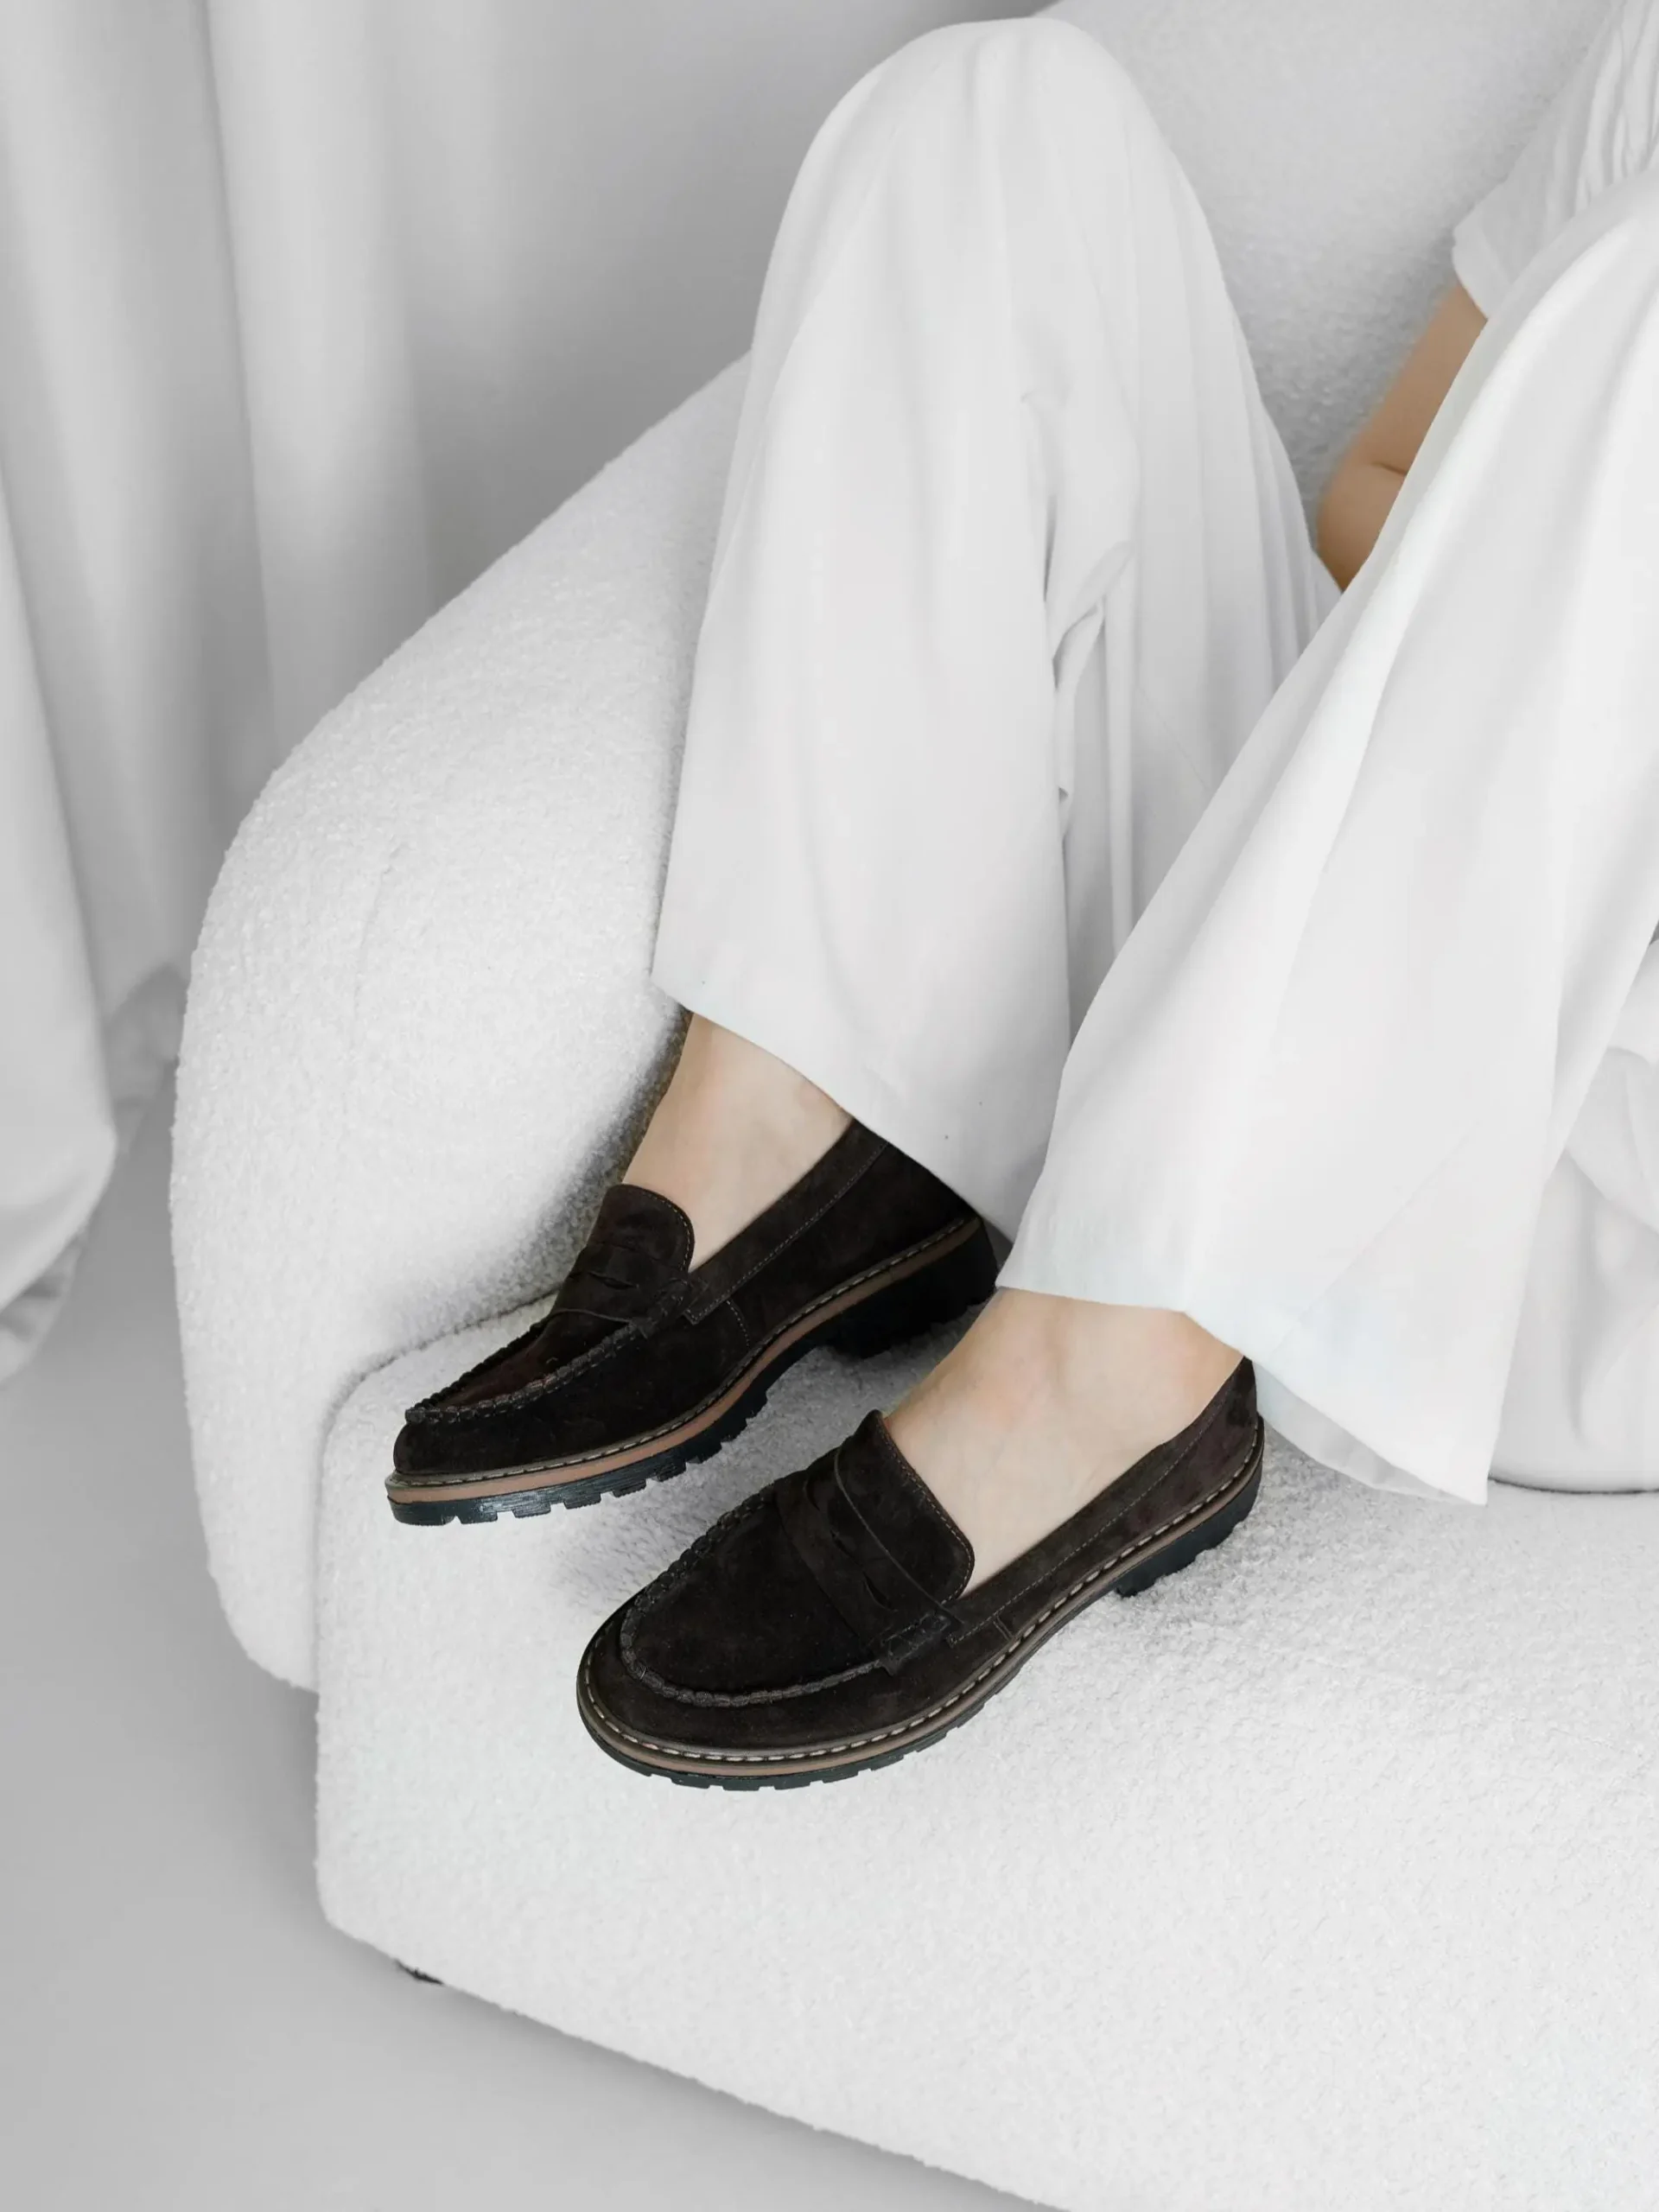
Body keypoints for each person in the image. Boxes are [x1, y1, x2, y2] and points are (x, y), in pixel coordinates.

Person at [388, 1, 1659, 1787]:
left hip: (1577, 1205)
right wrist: (1519, 625)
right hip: (1353, 920)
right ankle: (807, 1113)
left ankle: (1112, 1365)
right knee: (991, 112)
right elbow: (1376, 486)